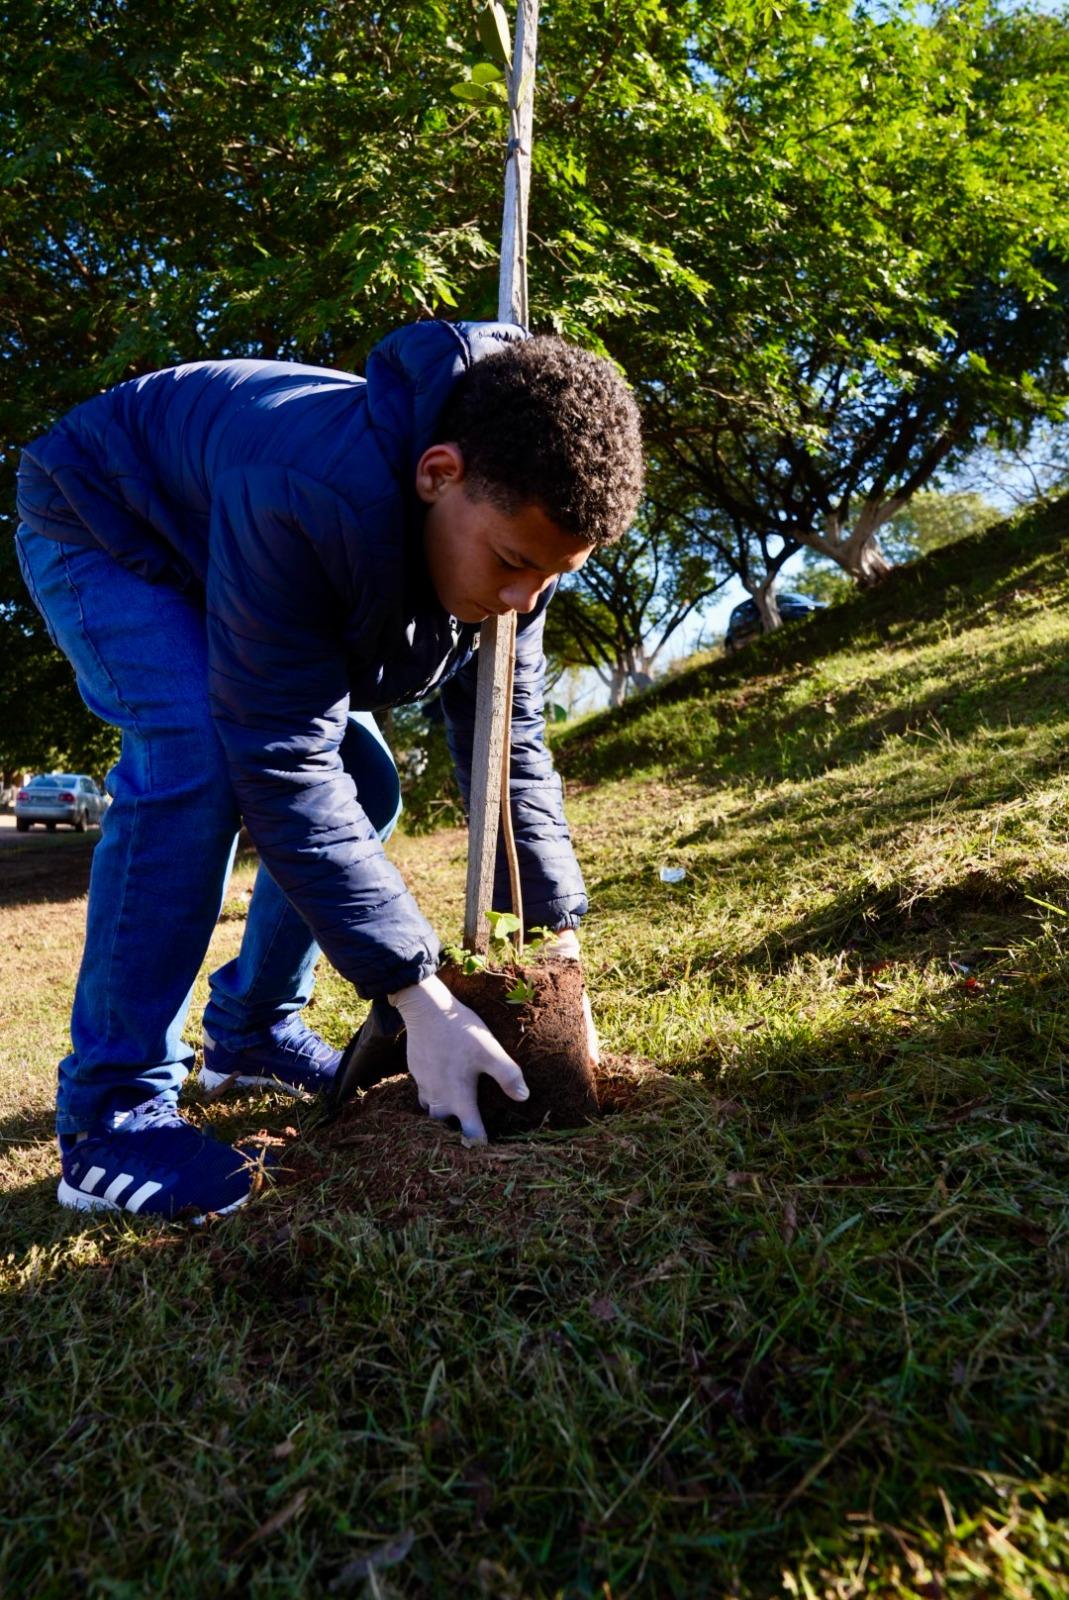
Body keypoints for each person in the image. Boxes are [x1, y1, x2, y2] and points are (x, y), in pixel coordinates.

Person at [15, 319, 645, 1221]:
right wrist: (414, 995)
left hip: (227, 524)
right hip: (106, 513)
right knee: (198, 752)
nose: (520, 601)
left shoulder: (522, 535)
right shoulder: (310, 496)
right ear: (438, 474)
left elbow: (507, 746)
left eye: (548, 580)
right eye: (511, 566)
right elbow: (280, 759)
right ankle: (109, 1116)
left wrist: (557, 951)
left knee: (372, 786)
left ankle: (252, 1031)